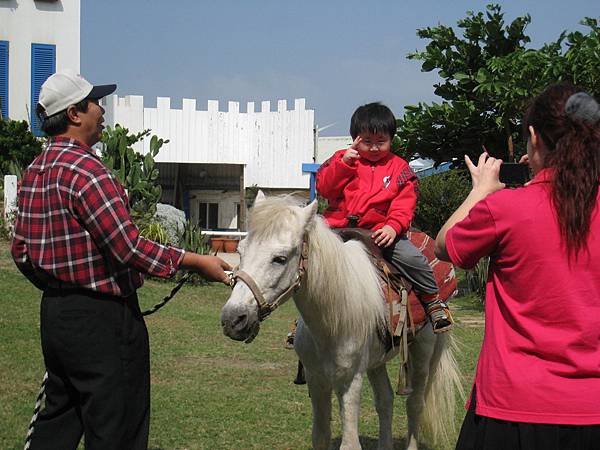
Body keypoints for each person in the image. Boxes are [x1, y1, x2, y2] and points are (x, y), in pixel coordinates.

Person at [11, 69, 232, 450]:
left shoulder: (34, 172)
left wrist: (62, 289)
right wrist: (196, 261)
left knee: (59, 420)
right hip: (104, 322)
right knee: (118, 429)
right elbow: (128, 247)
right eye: (95, 102)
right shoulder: (88, 171)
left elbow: (21, 252)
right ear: (75, 114)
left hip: (56, 317)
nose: (102, 108)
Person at [434, 83, 600, 449]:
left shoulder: (506, 209)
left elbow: (445, 245)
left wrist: (480, 191)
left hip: (513, 411)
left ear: (533, 137)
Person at [316, 102, 453, 332]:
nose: (374, 148)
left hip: (379, 232)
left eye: (381, 142)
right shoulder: (342, 159)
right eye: (367, 142)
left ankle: (432, 301)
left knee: (414, 259)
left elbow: (404, 204)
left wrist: (392, 227)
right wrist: (343, 165)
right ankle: (305, 320)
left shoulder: (399, 168)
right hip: (338, 228)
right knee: (308, 261)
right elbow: (325, 189)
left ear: (392, 139)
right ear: (355, 138)